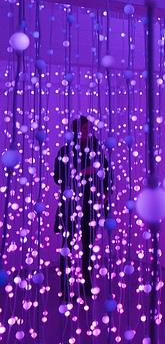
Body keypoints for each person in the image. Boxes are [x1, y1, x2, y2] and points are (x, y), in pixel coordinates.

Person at [53, 116, 112, 302]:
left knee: (88, 247)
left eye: (89, 129)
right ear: (76, 131)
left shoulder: (97, 150)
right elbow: (57, 178)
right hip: (70, 207)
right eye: (84, 129)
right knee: (67, 247)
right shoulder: (65, 151)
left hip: (90, 206)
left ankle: (86, 286)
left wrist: (105, 194)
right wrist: (82, 172)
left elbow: (107, 173)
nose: (87, 132)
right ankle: (65, 288)